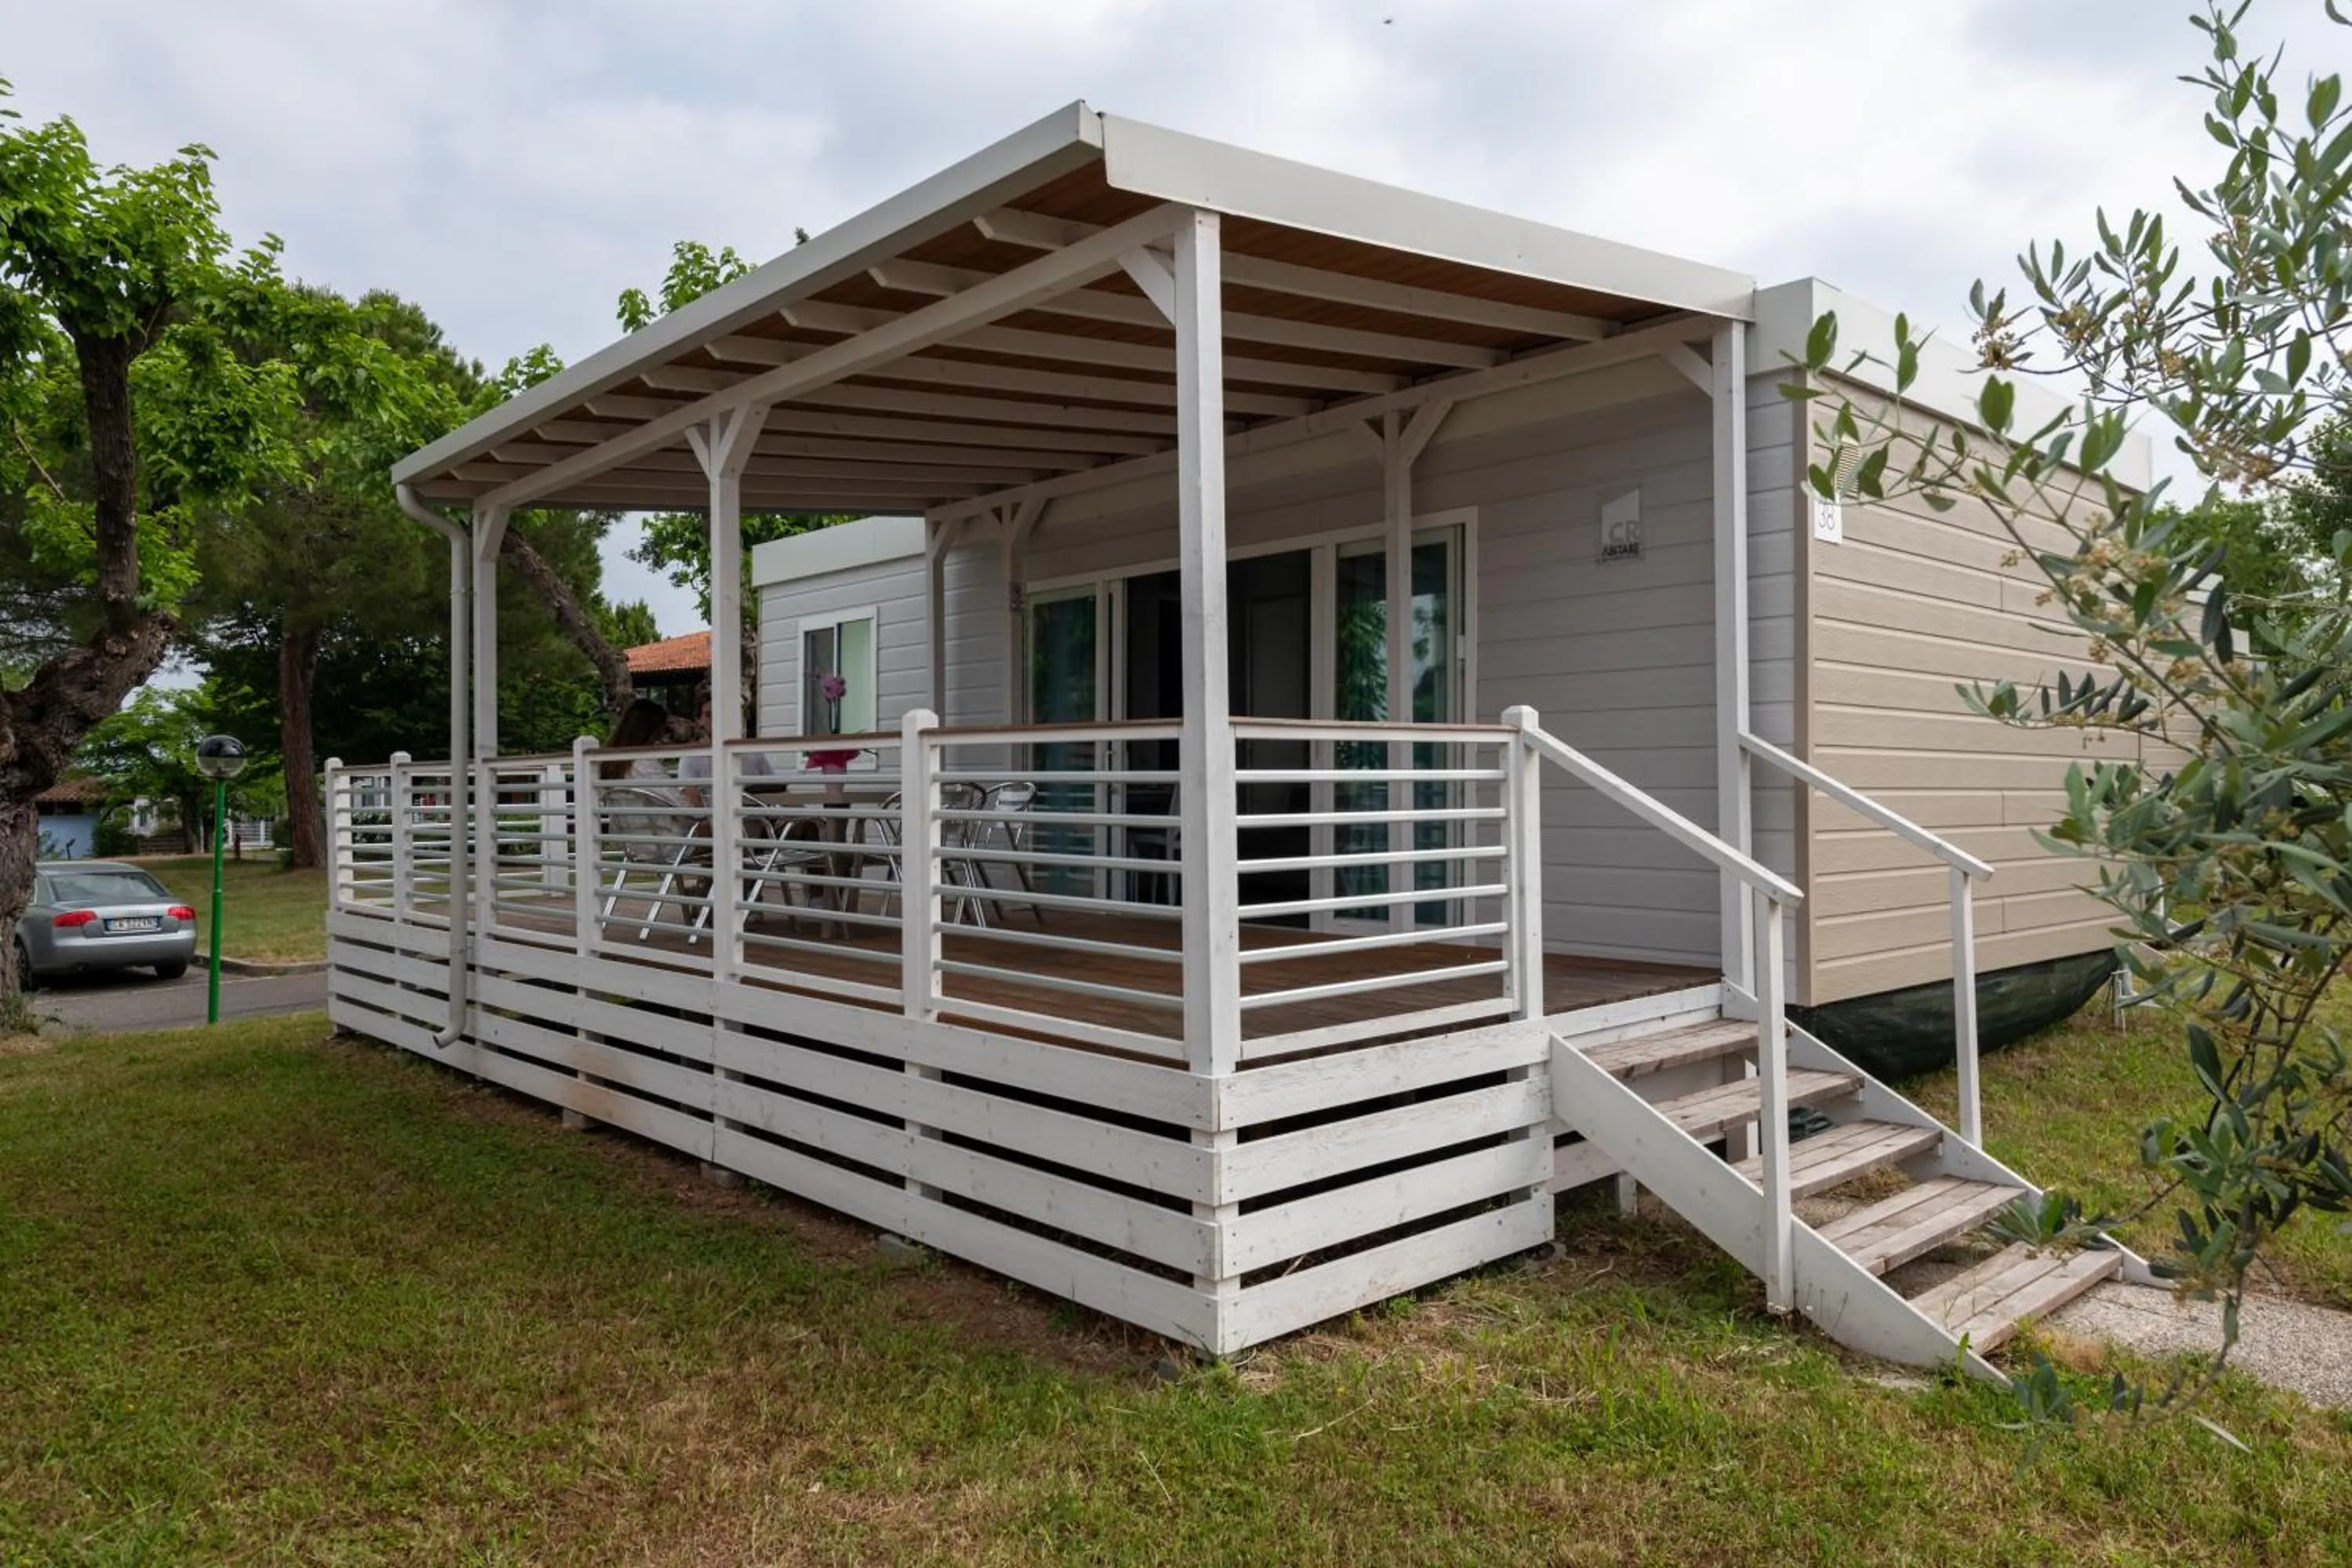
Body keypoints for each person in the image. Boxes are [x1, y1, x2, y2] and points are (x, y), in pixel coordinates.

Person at [598, 698, 695, 863]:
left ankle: (704, 887)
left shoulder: (610, 765)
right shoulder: (644, 765)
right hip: (670, 845)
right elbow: (686, 811)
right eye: (662, 731)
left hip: (637, 846)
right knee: (727, 828)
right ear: (651, 731)